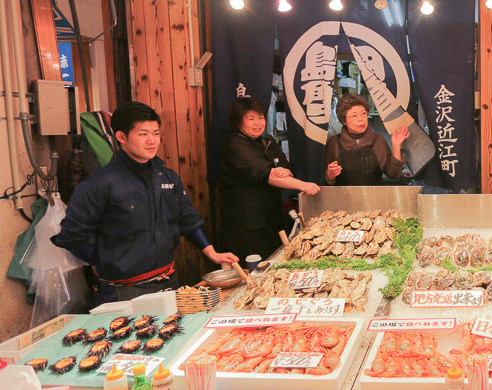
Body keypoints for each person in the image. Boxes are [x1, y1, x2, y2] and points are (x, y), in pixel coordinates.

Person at [53, 102, 237, 303]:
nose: (152, 141)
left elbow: (188, 220)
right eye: (143, 134)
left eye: (156, 133)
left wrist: (212, 253)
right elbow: (71, 236)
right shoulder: (99, 184)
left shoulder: (167, 177)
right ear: (122, 137)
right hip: (122, 292)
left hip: (169, 281)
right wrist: (104, 259)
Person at [220, 96, 321, 262]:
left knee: (273, 262)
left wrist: (284, 172)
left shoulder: (267, 141)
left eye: (260, 117)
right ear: (238, 122)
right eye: (251, 119)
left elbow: (287, 170)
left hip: (271, 216)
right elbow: (268, 175)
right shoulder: (234, 144)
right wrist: (302, 185)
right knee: (253, 267)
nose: (258, 123)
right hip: (247, 221)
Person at [325, 93, 409, 185]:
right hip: (343, 198)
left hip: (374, 197)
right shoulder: (334, 142)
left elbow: (394, 175)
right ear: (344, 121)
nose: (361, 119)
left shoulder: (378, 140)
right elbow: (325, 179)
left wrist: (396, 146)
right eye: (354, 116)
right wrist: (330, 174)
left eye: (363, 113)